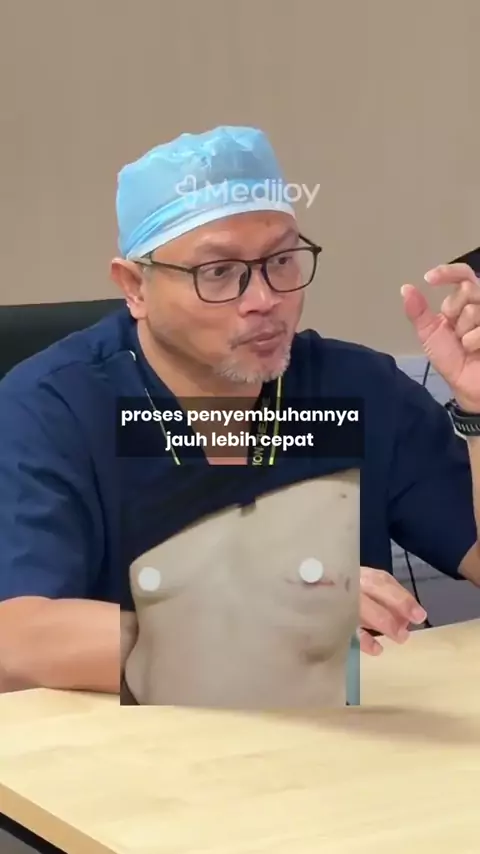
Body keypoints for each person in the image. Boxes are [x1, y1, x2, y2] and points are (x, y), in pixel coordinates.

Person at [0, 125, 479, 697]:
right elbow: (17, 638)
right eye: (218, 272)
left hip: (347, 733)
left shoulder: (357, 389)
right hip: (138, 741)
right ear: (135, 287)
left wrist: (477, 409)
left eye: (282, 260)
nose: (265, 300)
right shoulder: (54, 408)